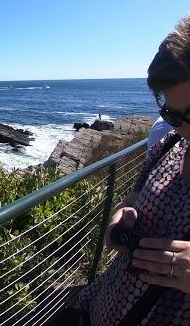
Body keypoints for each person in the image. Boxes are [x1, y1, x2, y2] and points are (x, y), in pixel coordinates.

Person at [78, 16, 190, 325]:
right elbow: (133, 197)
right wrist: (121, 216)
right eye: (171, 114)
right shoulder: (168, 145)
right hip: (106, 306)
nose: (183, 128)